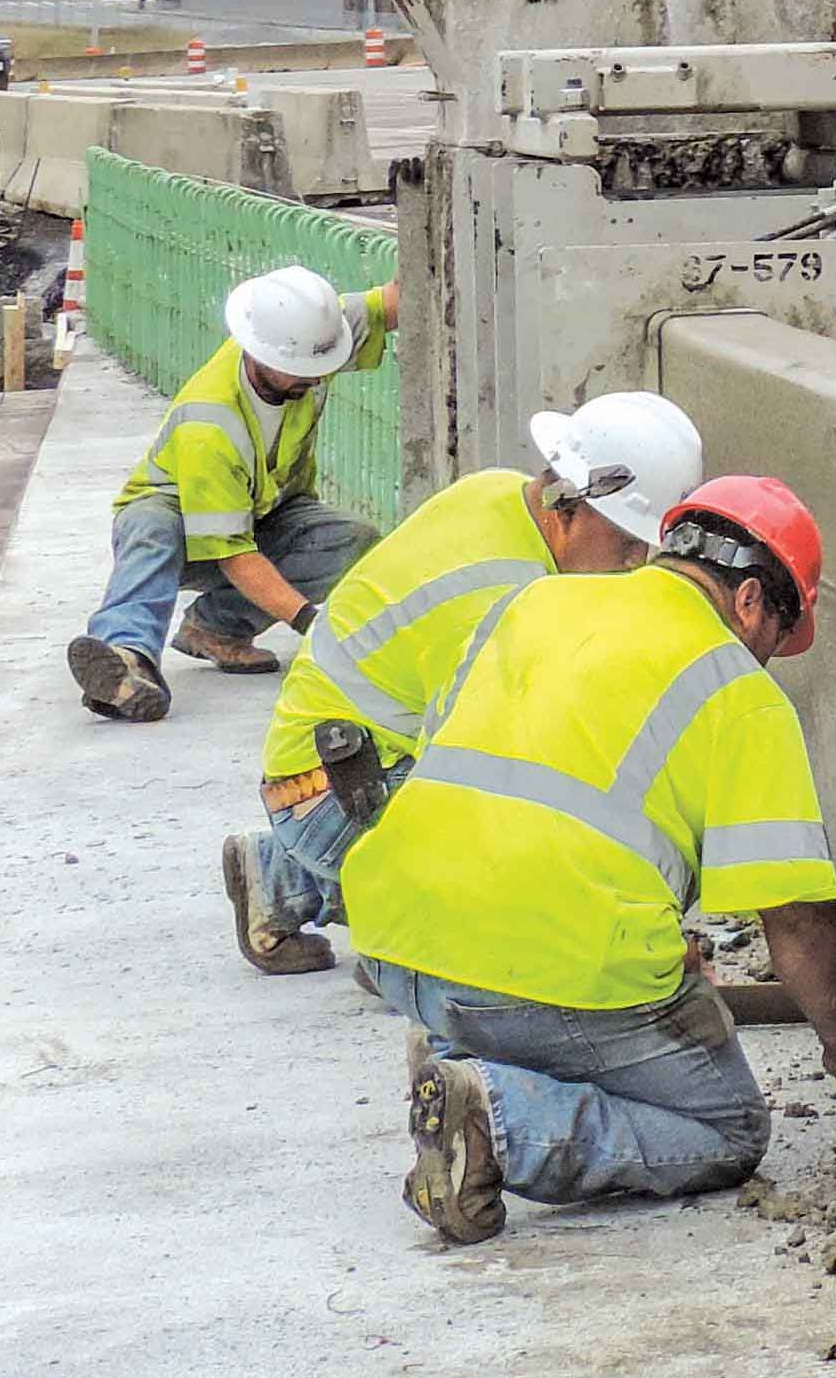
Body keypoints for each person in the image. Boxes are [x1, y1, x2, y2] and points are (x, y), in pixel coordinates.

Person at [339, 476, 836, 1242]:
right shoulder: (737, 686)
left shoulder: (530, 601)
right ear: (748, 602)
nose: (770, 657)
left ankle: (461, 1051)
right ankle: (497, 1119)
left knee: (579, 994)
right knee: (728, 1125)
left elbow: (485, 778)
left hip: (400, 947)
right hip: (538, 971)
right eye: (778, 633)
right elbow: (798, 921)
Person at [218, 391, 708, 978]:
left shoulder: (500, 491)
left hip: (320, 767)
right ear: (566, 503)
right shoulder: (501, 599)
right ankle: (400, 951)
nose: (636, 560)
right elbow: (478, 785)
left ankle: (278, 877)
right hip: (332, 792)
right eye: (627, 540)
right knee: (515, 900)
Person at [67, 264, 401, 722]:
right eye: (305, 371)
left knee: (349, 538)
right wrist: (311, 623)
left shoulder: (308, 331)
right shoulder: (210, 422)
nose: (319, 378)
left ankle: (214, 628)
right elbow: (234, 555)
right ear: (263, 356)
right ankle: (127, 658)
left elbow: (397, 299)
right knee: (152, 533)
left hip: (268, 507)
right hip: (182, 521)